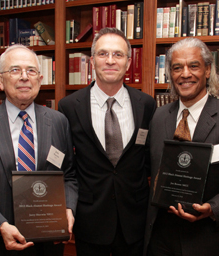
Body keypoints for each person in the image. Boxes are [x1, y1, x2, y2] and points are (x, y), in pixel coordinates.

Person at [144, 37, 219, 256]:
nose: (185, 74)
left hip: (209, 240)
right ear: (170, 74)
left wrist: (214, 208)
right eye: (177, 68)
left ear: (208, 70)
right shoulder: (159, 116)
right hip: (160, 239)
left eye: (194, 66)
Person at [0, 44, 78, 256]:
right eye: (15, 70)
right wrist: (0, 226)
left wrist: (68, 209)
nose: (24, 77)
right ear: (0, 80)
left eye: (31, 71)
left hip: (48, 245)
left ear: (40, 80)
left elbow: (69, 176)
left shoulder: (58, 122)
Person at [58, 27, 156, 256]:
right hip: (90, 219)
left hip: (134, 218)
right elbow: (67, 165)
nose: (110, 61)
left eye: (118, 55)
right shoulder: (69, 106)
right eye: (103, 54)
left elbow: (149, 157)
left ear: (129, 63)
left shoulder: (146, 104)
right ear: (92, 61)